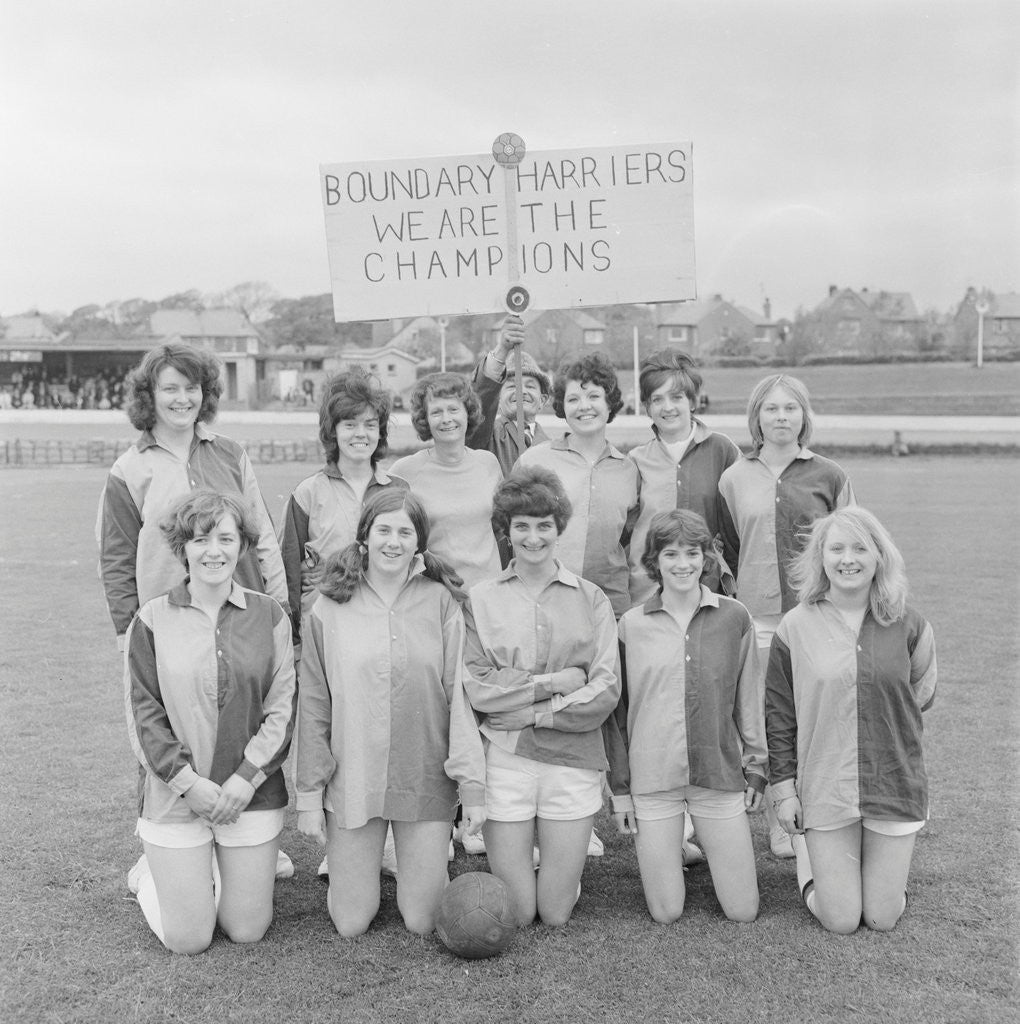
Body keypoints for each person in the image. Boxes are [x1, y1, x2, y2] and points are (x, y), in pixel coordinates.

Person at [98, 343, 294, 879]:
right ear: (149, 396)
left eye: (192, 387)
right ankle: (162, 847)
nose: (182, 398)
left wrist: (278, 605)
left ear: (205, 393)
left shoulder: (230, 452)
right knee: (170, 724)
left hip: (238, 611)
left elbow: (264, 536)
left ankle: (250, 834)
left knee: (242, 714)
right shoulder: (129, 468)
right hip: (167, 623)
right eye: (170, 388)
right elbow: (116, 556)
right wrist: (125, 633)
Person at [295, 490, 486, 937]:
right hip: (354, 775)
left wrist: (471, 786)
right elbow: (315, 705)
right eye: (383, 530)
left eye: (405, 532)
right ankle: (358, 869)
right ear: (364, 536)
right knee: (350, 922)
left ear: (418, 543)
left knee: (422, 921)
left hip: (422, 773)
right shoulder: (328, 607)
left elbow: (458, 696)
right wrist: (309, 795)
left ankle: (421, 865)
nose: (393, 542)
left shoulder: (440, 602)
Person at [124, 490, 296, 954]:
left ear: (242, 546)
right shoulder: (152, 618)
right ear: (183, 548)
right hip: (176, 798)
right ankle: (149, 877)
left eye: (225, 538)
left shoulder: (270, 614)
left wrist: (245, 779)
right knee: (189, 940)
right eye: (201, 540)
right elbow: (144, 717)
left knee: (246, 929)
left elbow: (282, 709)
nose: (213, 550)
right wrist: (190, 785)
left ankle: (213, 872)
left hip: (251, 794)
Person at [766, 506, 936, 934]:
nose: (848, 559)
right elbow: (780, 715)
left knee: (881, 917)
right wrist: (785, 792)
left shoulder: (910, 625)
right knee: (841, 920)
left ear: (879, 556)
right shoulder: (795, 626)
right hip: (826, 783)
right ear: (821, 557)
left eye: (860, 548)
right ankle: (812, 864)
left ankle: (872, 871)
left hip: (892, 781)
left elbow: (919, 695)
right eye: (836, 548)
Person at [463, 467, 620, 926]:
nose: (533, 537)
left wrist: (535, 715)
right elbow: (478, 686)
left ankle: (558, 876)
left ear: (559, 529)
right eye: (522, 526)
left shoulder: (591, 598)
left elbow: (605, 689)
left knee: (553, 914)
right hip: (505, 761)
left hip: (571, 760)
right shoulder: (481, 599)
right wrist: (552, 683)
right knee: (518, 912)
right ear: (506, 532)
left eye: (544, 526)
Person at [718, 373, 854, 858]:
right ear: (756, 417)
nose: (781, 417)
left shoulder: (830, 475)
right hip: (756, 618)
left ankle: (821, 809)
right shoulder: (734, 477)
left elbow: (851, 547)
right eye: (771, 409)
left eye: (790, 408)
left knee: (815, 715)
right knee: (768, 718)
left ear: (804, 416)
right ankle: (782, 819)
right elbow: (727, 549)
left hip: (816, 615)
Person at [606, 510, 765, 923]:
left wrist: (756, 768)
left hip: (718, 774)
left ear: (706, 557)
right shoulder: (630, 625)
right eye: (671, 554)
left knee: (743, 911)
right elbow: (618, 717)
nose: (683, 564)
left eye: (692, 553)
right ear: (654, 561)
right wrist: (621, 790)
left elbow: (748, 702)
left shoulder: (735, 617)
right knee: (666, 913)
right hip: (653, 779)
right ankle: (676, 845)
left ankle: (691, 844)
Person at [279, 369, 407, 645]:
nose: (360, 434)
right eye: (350, 424)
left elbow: (414, 560)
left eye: (370, 425)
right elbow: (289, 567)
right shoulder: (308, 492)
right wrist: (294, 636)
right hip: (326, 627)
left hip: (386, 625)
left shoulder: (400, 491)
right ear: (333, 431)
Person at [517, 352, 639, 619]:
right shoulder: (534, 461)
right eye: (573, 399)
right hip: (546, 603)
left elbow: (627, 539)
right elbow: (510, 530)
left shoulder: (628, 470)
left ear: (610, 404)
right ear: (562, 406)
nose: (584, 406)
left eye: (594, 396)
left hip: (610, 607)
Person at [627, 348, 740, 605]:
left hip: (708, 592)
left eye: (676, 397)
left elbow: (737, 528)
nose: (667, 407)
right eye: (657, 399)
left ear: (691, 401)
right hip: (648, 595)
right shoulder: (635, 461)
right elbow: (624, 534)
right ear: (646, 407)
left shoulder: (723, 451)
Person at [389, 372, 503, 589]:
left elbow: (499, 527)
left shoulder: (488, 463)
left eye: (453, 409)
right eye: (436, 412)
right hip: (437, 596)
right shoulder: (404, 472)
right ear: (425, 419)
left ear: (467, 413)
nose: (446, 419)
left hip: (490, 595)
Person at [466, 314, 552, 477]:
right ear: (497, 398)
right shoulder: (486, 435)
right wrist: (502, 349)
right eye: (512, 385)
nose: (521, 391)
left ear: (542, 400)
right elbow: (480, 399)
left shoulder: (553, 447)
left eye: (530, 386)